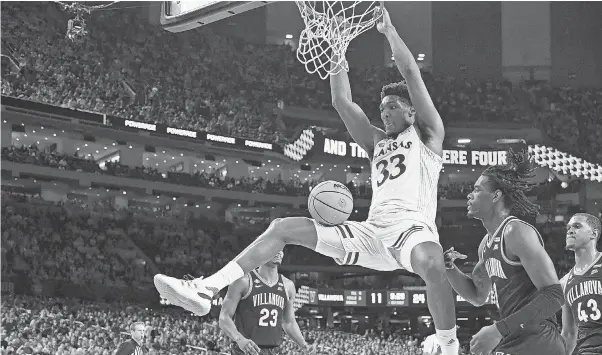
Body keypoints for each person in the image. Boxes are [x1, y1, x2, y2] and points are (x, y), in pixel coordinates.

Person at [154, 6, 458, 354]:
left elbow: (408, 70)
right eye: (382, 108)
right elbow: (342, 101)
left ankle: (448, 345)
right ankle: (207, 289)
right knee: (282, 227)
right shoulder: (376, 142)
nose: (384, 112)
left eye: (392, 107)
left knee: (433, 264)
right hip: (372, 233)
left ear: (411, 112)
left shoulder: (429, 135)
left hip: (412, 231)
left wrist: (389, 31)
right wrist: (337, 49)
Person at [444, 149, 565, 355]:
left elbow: (554, 296)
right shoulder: (485, 244)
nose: (469, 194)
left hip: (539, 338)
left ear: (496, 196)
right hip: (514, 337)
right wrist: (449, 268)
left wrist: (499, 329)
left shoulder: (515, 231)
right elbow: (477, 296)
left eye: (477, 189)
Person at [219, 251, 313, 355]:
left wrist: (303, 344)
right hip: (246, 349)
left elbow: (289, 322)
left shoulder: (288, 286)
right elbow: (224, 317)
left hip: (274, 350)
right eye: (275, 249)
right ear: (262, 249)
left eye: (281, 250)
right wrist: (239, 339)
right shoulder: (243, 281)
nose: (279, 253)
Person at [560, 213, 602, 355]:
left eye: (577, 226)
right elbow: (568, 334)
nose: (570, 230)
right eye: (569, 228)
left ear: (593, 234)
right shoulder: (564, 282)